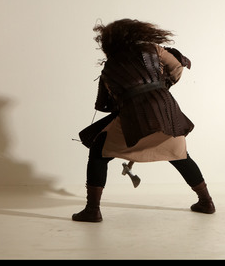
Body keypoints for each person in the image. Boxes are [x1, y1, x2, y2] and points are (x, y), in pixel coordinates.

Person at [72, 19, 215, 222]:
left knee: (98, 152)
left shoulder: (110, 66)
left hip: (135, 118)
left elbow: (107, 103)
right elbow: (176, 67)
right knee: (180, 155)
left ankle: (92, 210)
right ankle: (206, 202)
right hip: (167, 110)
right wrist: (161, 86)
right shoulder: (153, 49)